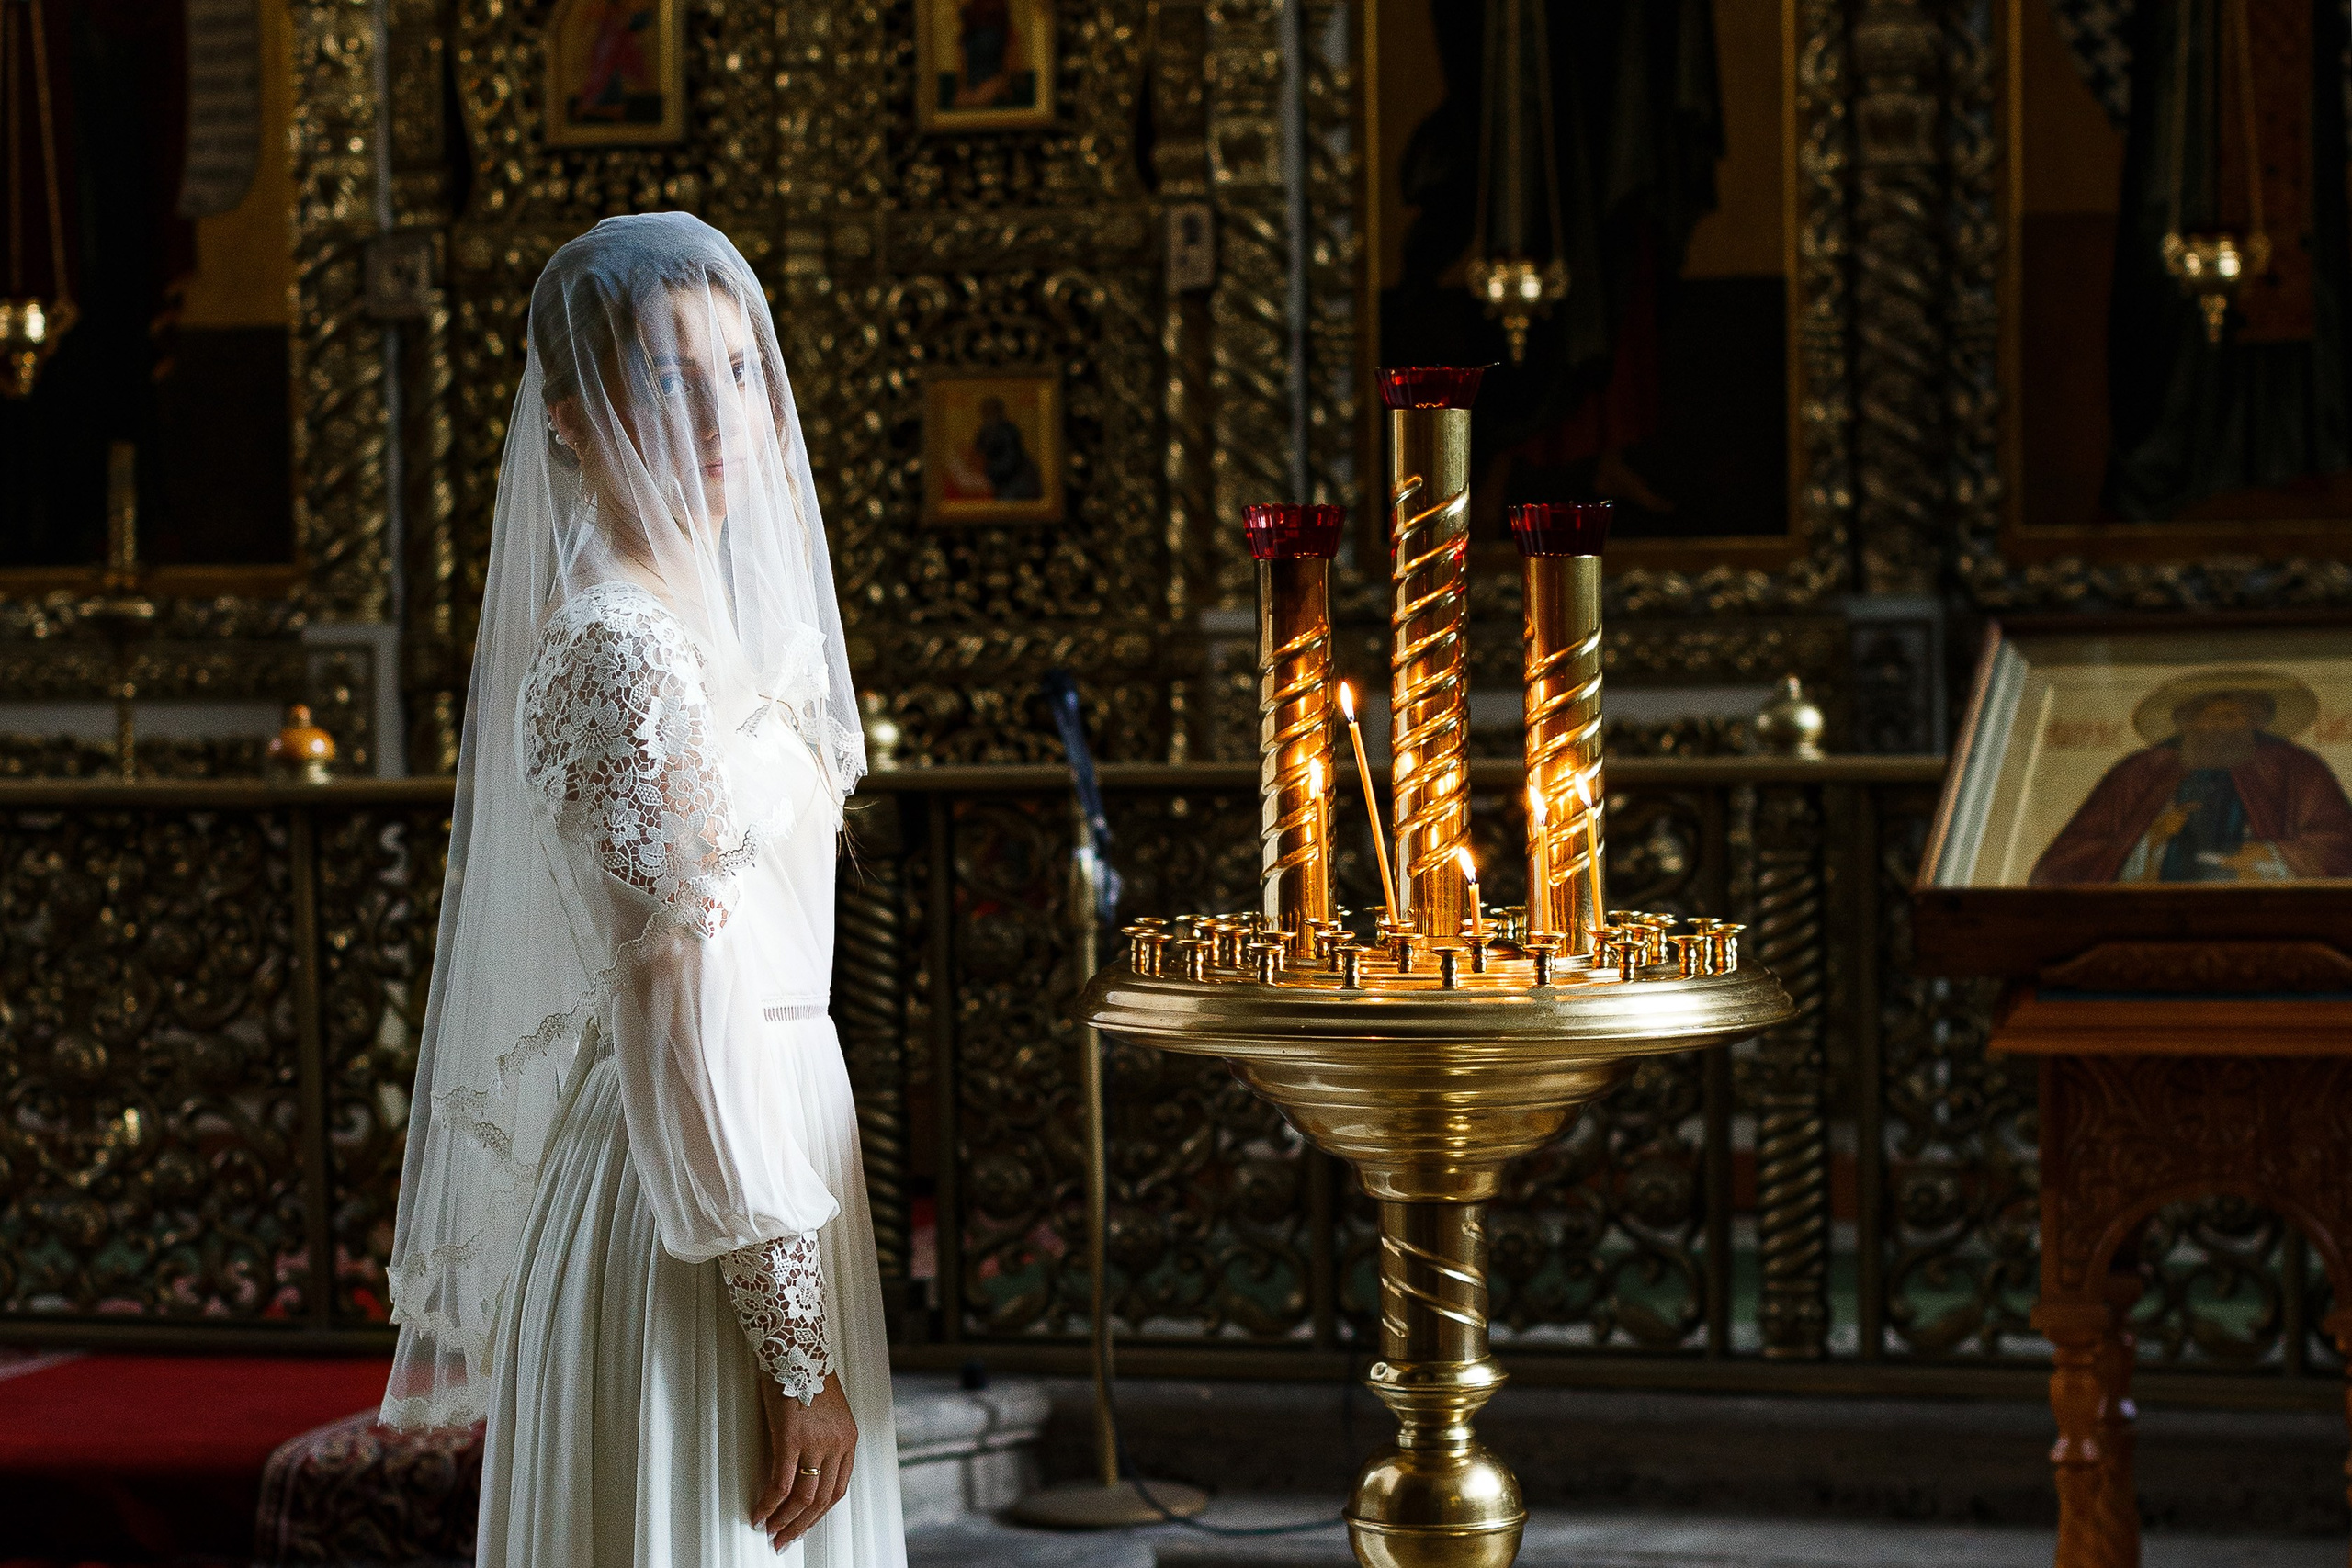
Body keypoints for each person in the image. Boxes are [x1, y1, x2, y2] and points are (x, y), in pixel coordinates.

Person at [379, 212, 903, 1568]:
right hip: (692, 1214)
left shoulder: (712, 635)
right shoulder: (620, 647)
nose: (724, 414)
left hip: (770, 1171)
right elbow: (681, 997)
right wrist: (793, 1347)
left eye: (740, 369)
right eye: (671, 378)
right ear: (569, 419)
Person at [2030, 670, 2352, 885]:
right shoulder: (2141, 771)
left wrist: (2272, 857)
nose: (2221, 725)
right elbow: (2068, 861)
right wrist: (2151, 839)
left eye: (2235, 715)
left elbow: (2338, 845)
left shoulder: (2295, 767)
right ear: (2187, 722)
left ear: (2257, 722)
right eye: (2209, 715)